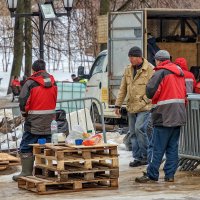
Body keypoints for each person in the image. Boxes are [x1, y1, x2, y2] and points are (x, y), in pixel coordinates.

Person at [135, 50, 187, 183]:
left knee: (157, 147)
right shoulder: (180, 73)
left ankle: (152, 174)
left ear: (158, 60)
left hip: (163, 115)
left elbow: (150, 92)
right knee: (172, 147)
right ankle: (170, 175)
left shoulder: (160, 72)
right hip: (178, 115)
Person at [13, 59, 57, 181]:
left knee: (26, 145)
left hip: (33, 121)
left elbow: (22, 100)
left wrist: (24, 114)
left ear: (33, 70)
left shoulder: (30, 83)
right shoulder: (53, 82)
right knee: (47, 145)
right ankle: (47, 171)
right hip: (49, 120)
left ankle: (26, 172)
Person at [115, 46, 154, 167]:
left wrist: (144, 100)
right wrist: (117, 105)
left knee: (139, 129)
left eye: (132, 57)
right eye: (129, 57)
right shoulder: (128, 70)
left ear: (139, 57)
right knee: (132, 132)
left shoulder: (150, 69)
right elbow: (123, 88)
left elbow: (154, 89)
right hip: (131, 107)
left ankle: (147, 156)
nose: (130, 59)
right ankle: (137, 158)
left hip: (144, 107)